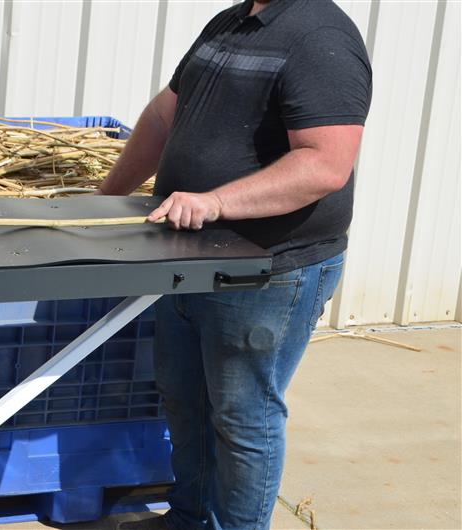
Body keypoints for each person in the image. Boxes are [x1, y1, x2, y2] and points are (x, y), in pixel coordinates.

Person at [97, 1, 372, 529]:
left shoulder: (322, 38)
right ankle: (189, 520)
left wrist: (215, 202)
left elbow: (324, 164)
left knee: (243, 417)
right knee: (185, 400)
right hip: (188, 257)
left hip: (267, 270)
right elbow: (163, 116)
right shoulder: (230, 23)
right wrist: (105, 200)